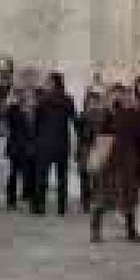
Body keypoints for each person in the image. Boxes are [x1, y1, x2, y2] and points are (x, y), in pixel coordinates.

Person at [92, 84, 140, 243]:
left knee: (129, 197)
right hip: (110, 160)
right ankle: (95, 230)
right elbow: (98, 135)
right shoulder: (105, 114)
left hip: (128, 160)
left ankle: (131, 230)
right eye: (116, 95)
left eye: (122, 95)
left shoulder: (134, 114)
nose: (120, 98)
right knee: (104, 195)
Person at [34, 72, 78, 216]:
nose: (46, 84)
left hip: (44, 143)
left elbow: (36, 122)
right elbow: (75, 120)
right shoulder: (68, 100)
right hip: (62, 143)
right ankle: (61, 208)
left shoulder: (43, 100)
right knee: (62, 177)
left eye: (48, 82)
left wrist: (35, 139)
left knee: (42, 177)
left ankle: (40, 207)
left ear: (53, 83)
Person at [3, 88, 42, 213]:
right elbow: (5, 116)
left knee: (31, 176)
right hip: (16, 148)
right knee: (14, 174)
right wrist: (10, 100)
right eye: (27, 96)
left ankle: (32, 201)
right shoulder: (14, 110)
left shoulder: (39, 112)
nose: (30, 98)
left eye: (32, 96)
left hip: (32, 148)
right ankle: (11, 201)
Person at [74, 90, 108, 214]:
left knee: (96, 178)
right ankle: (86, 202)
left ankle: (94, 201)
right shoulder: (83, 115)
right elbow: (78, 131)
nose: (92, 104)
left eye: (94, 101)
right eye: (90, 101)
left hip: (97, 148)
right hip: (85, 148)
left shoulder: (103, 115)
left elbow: (105, 131)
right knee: (85, 177)